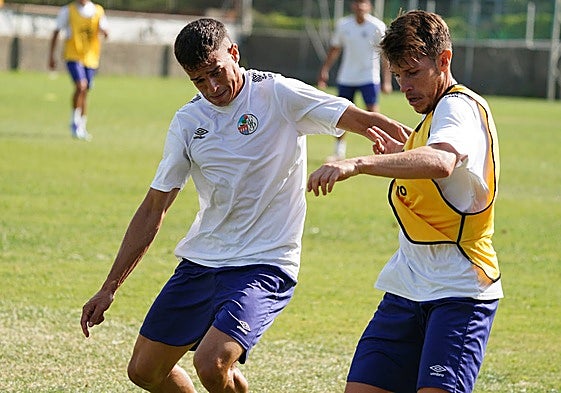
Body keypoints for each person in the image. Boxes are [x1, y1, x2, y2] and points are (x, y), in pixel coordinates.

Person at [80, 18, 410, 393]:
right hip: (203, 260)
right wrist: (109, 287)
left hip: (265, 262)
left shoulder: (278, 93)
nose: (213, 87)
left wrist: (410, 146)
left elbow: (361, 119)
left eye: (216, 72)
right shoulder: (189, 121)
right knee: (144, 371)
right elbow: (155, 206)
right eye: (199, 81)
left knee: (210, 361)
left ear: (234, 53)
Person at [308, 10, 502, 393]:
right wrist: (404, 150)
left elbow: (442, 161)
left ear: (444, 61)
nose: (404, 86)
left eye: (413, 73)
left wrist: (359, 163)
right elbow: (435, 163)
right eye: (397, 75)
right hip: (407, 286)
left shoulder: (457, 107)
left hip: (459, 290)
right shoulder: (433, 116)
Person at [317, 0, 392, 162]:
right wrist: (325, 70)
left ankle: (383, 148)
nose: (360, 6)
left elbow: (385, 56)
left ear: (369, 6)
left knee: (373, 114)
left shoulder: (377, 26)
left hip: (369, 77)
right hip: (347, 77)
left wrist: (387, 81)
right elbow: (335, 48)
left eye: (363, 3)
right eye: (357, 3)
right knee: (342, 114)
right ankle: (338, 152)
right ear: (352, 6)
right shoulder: (344, 25)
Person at [48, 0, 108, 141]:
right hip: (73, 55)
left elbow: (105, 29)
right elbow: (56, 31)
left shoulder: (98, 11)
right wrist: (51, 55)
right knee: (81, 86)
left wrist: (104, 32)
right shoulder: (68, 11)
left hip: (91, 58)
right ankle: (74, 122)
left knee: (85, 90)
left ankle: (82, 124)